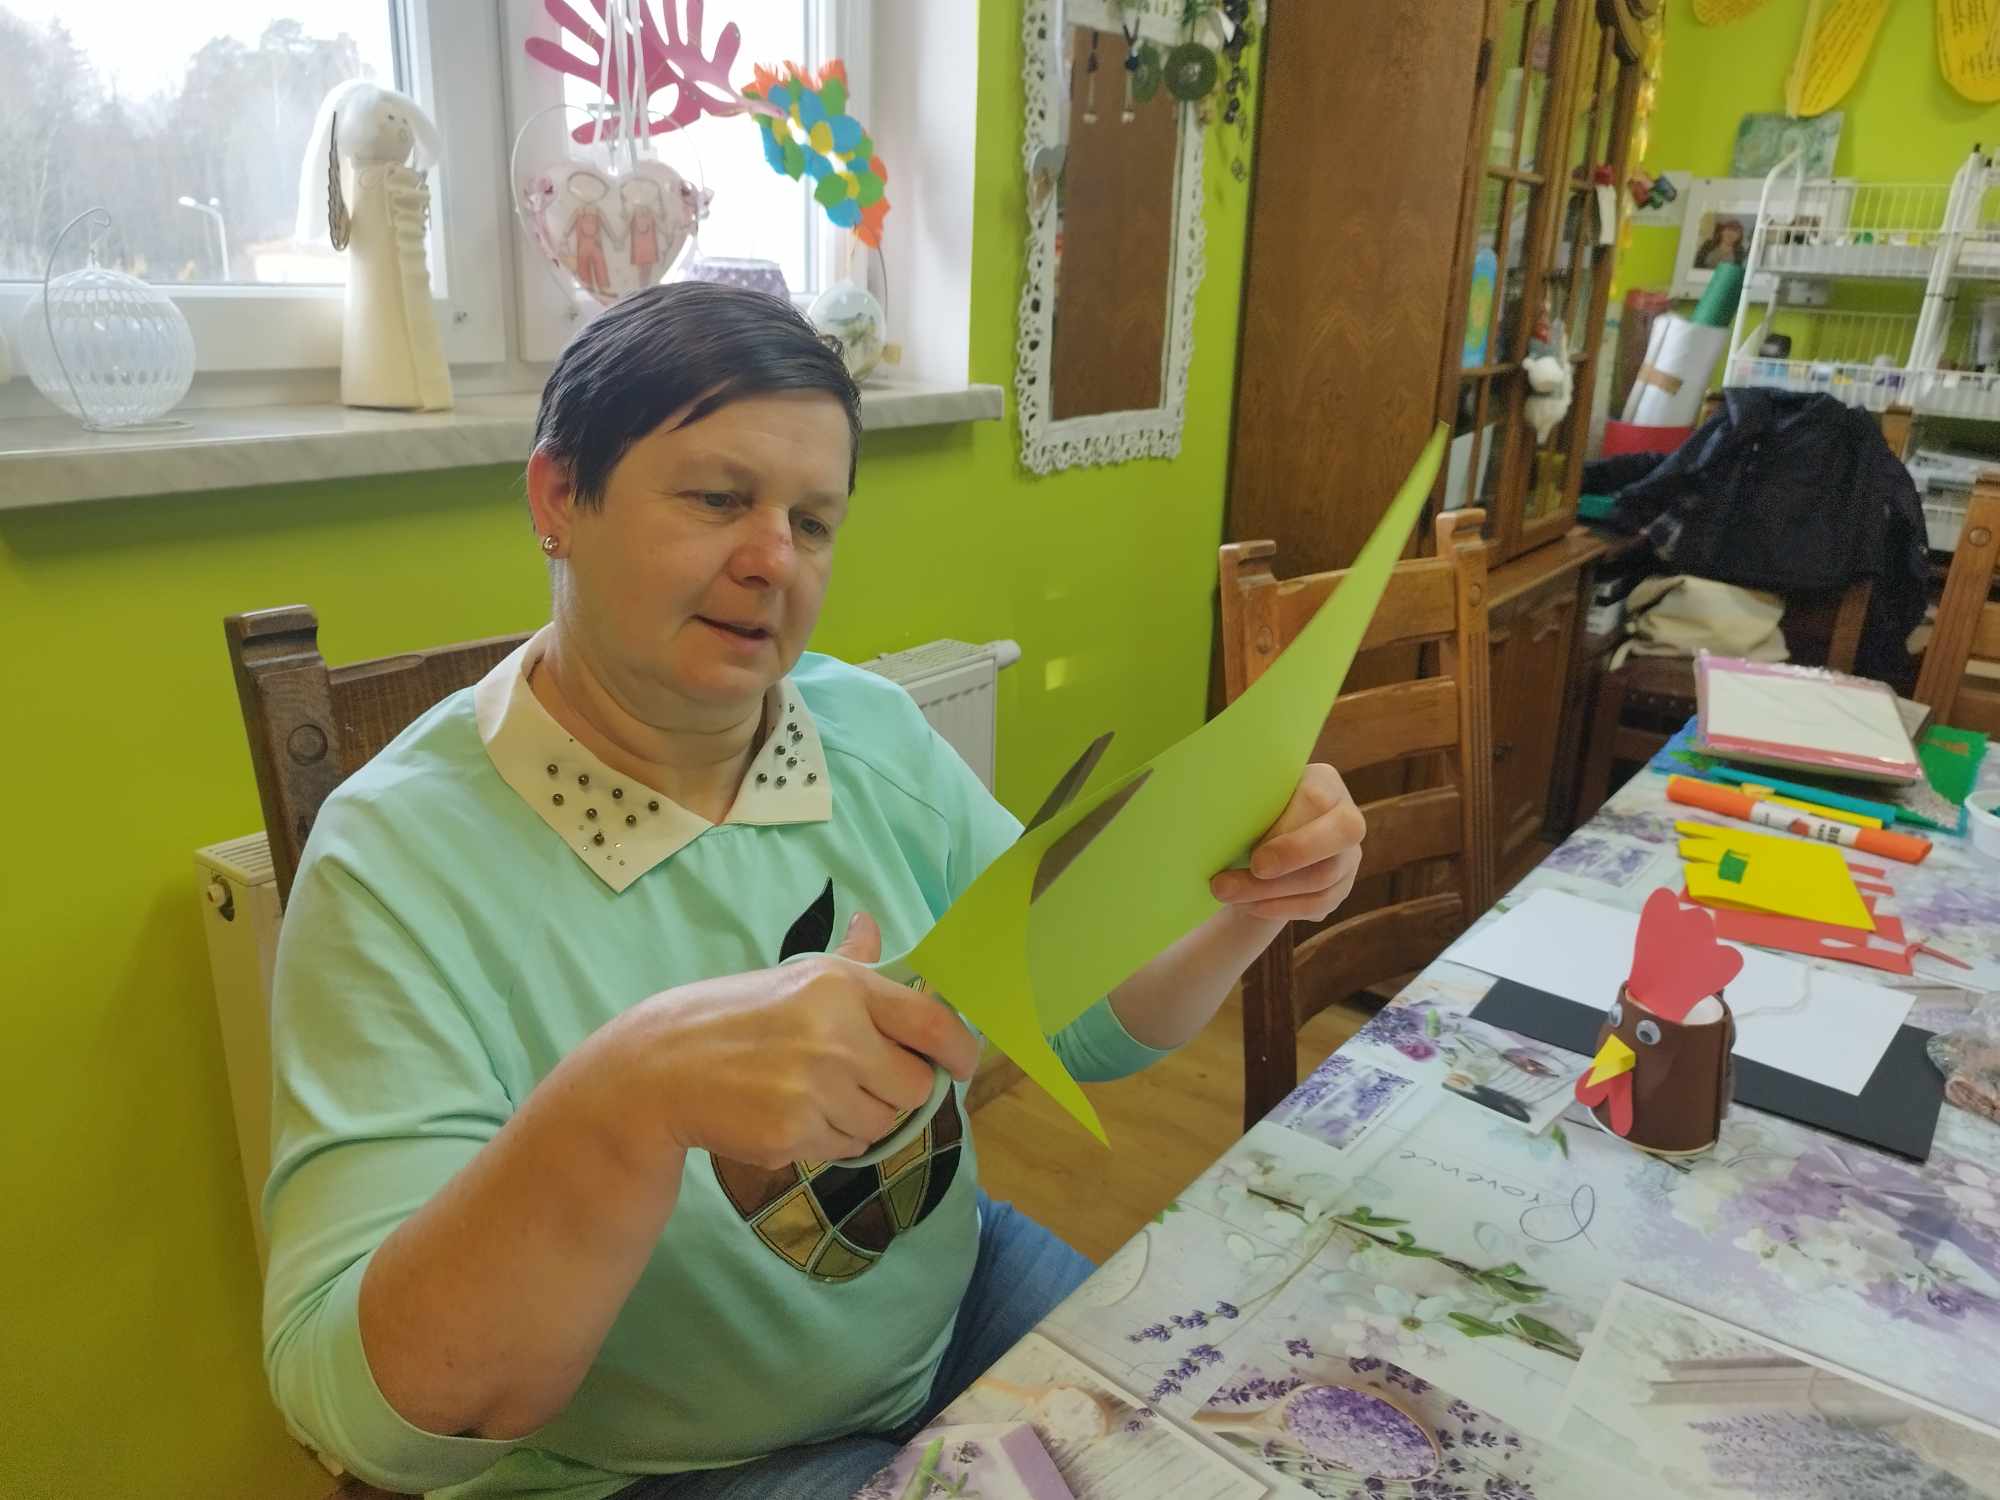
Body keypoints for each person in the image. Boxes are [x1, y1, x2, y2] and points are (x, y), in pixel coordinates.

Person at [262, 282, 1367, 1500]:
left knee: (1257, 1458)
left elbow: (1081, 1023)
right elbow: (365, 1420)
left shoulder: (864, 734)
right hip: (646, 1463)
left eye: (812, 520)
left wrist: (1245, 904)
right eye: (715, 499)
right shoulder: (397, 860)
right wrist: (625, 1097)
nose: (770, 561)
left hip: (950, 1303)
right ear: (557, 497)